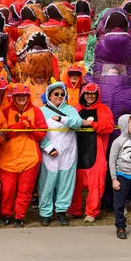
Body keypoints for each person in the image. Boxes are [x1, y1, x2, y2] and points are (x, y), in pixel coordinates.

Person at [0, 84, 47, 227]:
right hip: (8, 159)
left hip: (30, 158)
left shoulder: (37, 112)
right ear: (13, 97)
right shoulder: (5, 111)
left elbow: (41, 134)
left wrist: (31, 129)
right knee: (7, 190)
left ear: (28, 96)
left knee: (25, 191)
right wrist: (17, 127)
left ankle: (19, 217)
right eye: (18, 95)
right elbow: (1, 134)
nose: (21, 98)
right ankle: (6, 214)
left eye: (24, 95)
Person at [38, 82, 83, 226]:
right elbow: (38, 132)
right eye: (56, 94)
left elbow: (77, 123)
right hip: (50, 153)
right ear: (49, 95)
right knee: (47, 183)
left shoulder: (70, 110)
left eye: (62, 94)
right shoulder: (41, 111)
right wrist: (47, 147)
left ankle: (61, 211)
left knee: (66, 182)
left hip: (68, 152)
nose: (59, 96)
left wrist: (63, 119)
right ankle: (45, 212)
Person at [70, 83, 114, 223]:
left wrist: (92, 125)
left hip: (96, 152)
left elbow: (108, 127)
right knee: (74, 183)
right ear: (82, 95)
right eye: (87, 94)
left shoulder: (103, 109)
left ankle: (91, 212)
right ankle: (74, 210)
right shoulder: (75, 108)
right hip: (76, 151)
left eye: (93, 94)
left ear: (97, 95)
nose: (90, 96)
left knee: (95, 185)